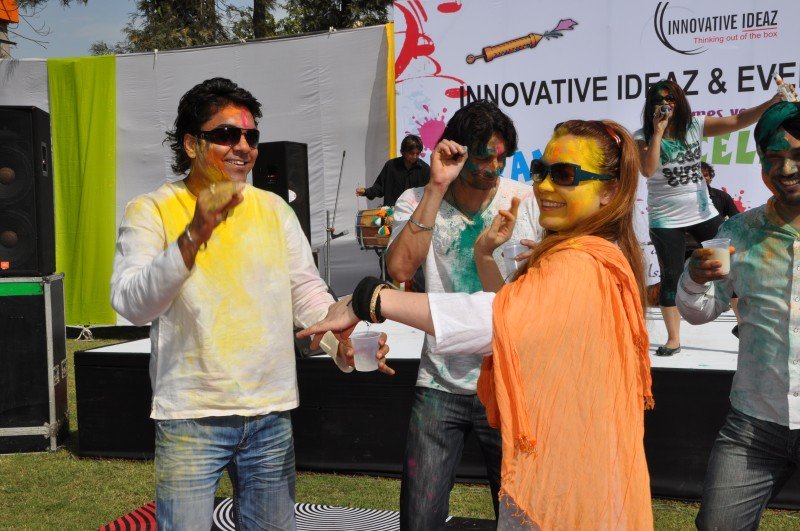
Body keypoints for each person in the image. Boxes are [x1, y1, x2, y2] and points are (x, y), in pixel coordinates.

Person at [300, 119, 655, 529]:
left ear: (610, 190)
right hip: (446, 385)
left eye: (564, 175)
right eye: (541, 170)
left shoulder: (578, 260)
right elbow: (503, 305)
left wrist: (370, 299)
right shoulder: (586, 251)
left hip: (525, 416)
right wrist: (481, 250)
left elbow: (498, 320)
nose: (543, 186)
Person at [109, 77, 389, 530]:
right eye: (226, 134)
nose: (242, 146)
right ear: (191, 144)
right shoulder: (152, 209)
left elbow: (306, 292)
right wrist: (193, 235)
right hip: (191, 417)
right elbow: (131, 303)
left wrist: (340, 342)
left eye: (250, 136)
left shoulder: (274, 210)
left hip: (270, 415)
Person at [385, 100, 541, 529]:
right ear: (456, 150)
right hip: (440, 382)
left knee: (521, 518)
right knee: (420, 518)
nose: (493, 167)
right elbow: (399, 271)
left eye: (501, 157)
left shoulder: (524, 201)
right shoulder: (417, 199)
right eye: (483, 156)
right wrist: (437, 186)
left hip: (509, 383)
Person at [677, 101, 800, 530]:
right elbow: (698, 312)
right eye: (774, 157)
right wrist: (694, 278)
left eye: (797, 155)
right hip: (754, 425)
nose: (786, 169)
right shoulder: (738, 233)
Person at [635, 79, 780, 357]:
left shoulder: (694, 126)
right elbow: (648, 169)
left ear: (679, 102)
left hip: (702, 212)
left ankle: (743, 327)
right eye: (658, 100)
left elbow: (737, 120)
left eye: (670, 99)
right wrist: (658, 133)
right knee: (671, 276)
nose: (664, 104)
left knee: (729, 267)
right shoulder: (642, 136)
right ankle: (674, 339)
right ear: (650, 106)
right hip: (666, 220)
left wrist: (771, 103)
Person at [356, 134, 430, 207]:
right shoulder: (391, 166)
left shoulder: (425, 169)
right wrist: (366, 192)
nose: (415, 156)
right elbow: (379, 187)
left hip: (415, 212)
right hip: (392, 212)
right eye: (411, 153)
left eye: (417, 153)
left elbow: (430, 194)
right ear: (402, 152)